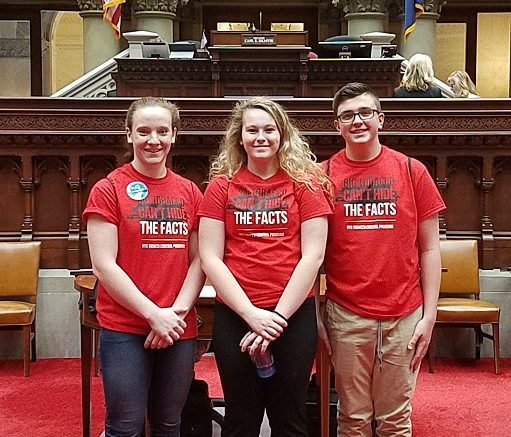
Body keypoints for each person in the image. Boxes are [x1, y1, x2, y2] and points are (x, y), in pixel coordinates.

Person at [198, 96, 332, 437]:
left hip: (292, 314)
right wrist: (252, 316)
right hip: (236, 315)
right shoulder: (221, 187)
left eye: (269, 129)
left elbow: (313, 256)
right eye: (252, 130)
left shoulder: (306, 185)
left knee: (290, 418)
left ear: (282, 135)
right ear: (239, 137)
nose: (261, 137)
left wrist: (278, 318)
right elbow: (211, 257)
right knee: (241, 419)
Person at [321, 82, 445, 436]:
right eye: (347, 115)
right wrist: (317, 315)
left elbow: (430, 248)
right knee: (353, 418)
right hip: (345, 314)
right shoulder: (322, 176)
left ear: (381, 119)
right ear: (337, 125)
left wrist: (429, 316)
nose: (357, 121)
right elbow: (311, 255)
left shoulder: (411, 171)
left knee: (395, 419)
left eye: (365, 113)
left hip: (404, 315)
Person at [83, 96, 205, 437]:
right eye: (144, 131)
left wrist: (174, 315)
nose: (154, 140)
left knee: (169, 425)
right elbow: (103, 266)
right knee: (124, 426)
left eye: (162, 131)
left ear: (174, 135)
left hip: (178, 327)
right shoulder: (108, 189)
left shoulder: (189, 192)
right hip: (125, 328)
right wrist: (153, 314)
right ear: (129, 135)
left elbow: (201, 259)